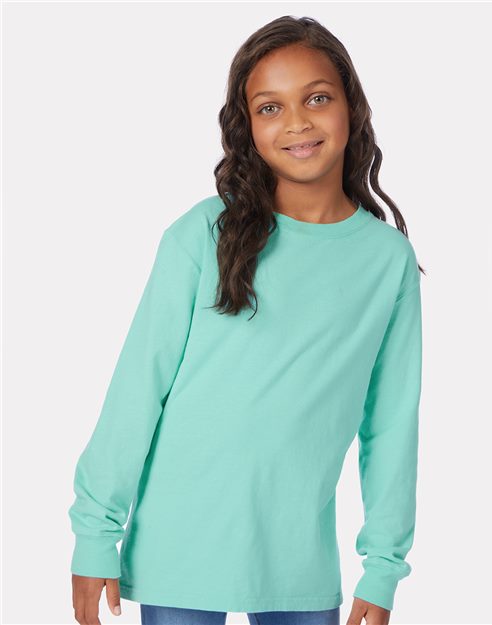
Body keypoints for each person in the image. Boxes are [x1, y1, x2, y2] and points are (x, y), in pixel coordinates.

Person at [69, 15, 424, 625]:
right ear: (248, 127)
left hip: (297, 560)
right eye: (270, 107)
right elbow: (138, 388)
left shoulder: (387, 261)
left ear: (352, 105)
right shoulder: (202, 233)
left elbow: (391, 423)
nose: (297, 122)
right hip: (178, 543)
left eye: (317, 98)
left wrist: (384, 565)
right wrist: (96, 530)